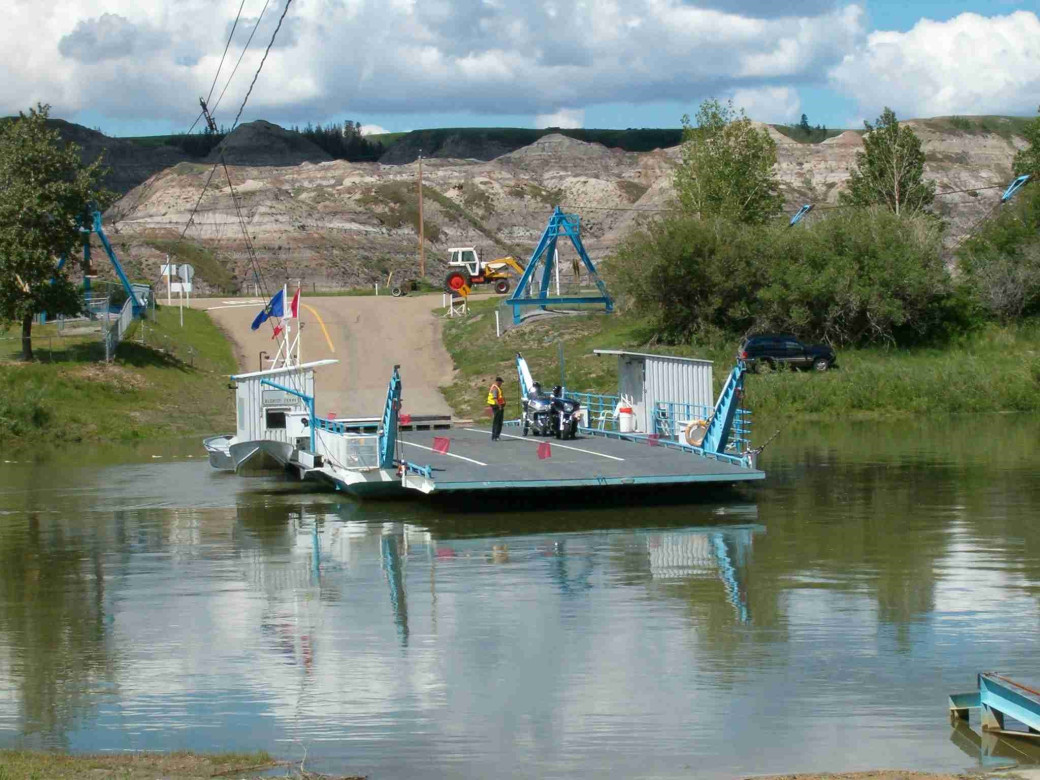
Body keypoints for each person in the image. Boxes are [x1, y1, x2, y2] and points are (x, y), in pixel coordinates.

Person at [487, 376, 506, 441]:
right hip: (496, 406)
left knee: (499, 421)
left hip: (499, 406)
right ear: (498, 382)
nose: (501, 384)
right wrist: (500, 406)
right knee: (497, 421)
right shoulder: (495, 388)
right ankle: (495, 436)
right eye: (500, 382)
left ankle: (496, 435)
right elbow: (495, 398)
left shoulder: (498, 388)